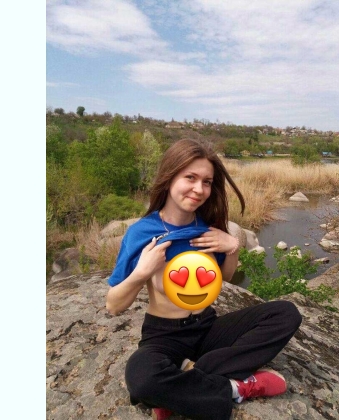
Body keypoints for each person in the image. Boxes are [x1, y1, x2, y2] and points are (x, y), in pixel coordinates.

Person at [106, 139, 302, 420]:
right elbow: (113, 306)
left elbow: (224, 279)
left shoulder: (209, 229)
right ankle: (236, 387)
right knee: (141, 379)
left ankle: (182, 383)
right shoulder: (141, 233)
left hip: (207, 327)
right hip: (164, 336)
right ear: (169, 177)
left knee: (286, 314)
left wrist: (232, 246)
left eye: (207, 182)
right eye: (190, 177)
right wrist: (141, 273)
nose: (199, 189)